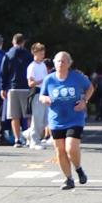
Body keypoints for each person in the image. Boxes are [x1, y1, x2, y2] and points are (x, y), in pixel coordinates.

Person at [40, 50, 91, 192]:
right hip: (56, 120)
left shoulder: (76, 77)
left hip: (75, 118)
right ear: (54, 63)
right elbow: (42, 95)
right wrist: (45, 99)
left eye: (64, 61)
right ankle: (68, 178)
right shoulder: (49, 79)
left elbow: (90, 88)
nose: (60, 64)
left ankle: (78, 168)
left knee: (71, 148)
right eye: (58, 61)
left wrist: (84, 101)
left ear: (69, 63)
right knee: (60, 151)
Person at [0, 33, 33, 149]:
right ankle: (29, 139)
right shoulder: (28, 55)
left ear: (13, 42)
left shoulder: (8, 55)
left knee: (14, 115)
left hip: (12, 88)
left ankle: (17, 139)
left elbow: (3, 72)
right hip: (26, 87)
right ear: (23, 42)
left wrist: (3, 87)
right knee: (28, 115)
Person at [25, 41, 50, 148]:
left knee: (45, 120)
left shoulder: (43, 65)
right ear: (34, 53)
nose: (42, 55)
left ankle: (28, 133)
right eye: (40, 53)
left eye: (43, 53)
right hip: (36, 93)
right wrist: (42, 81)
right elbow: (30, 83)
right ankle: (34, 142)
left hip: (44, 93)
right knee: (37, 119)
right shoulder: (32, 66)